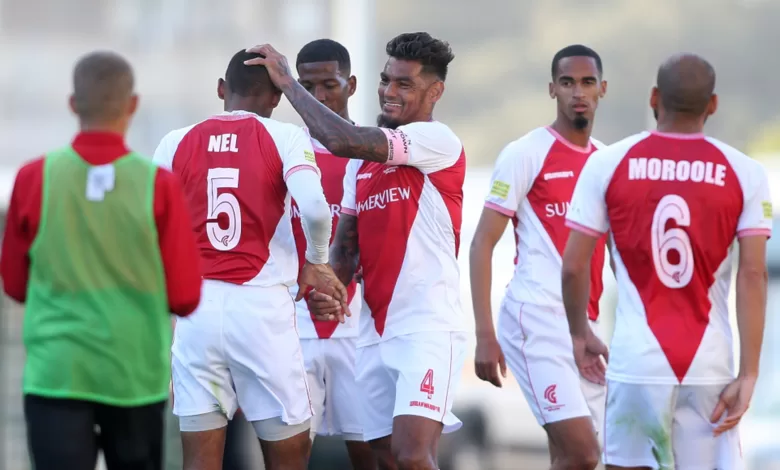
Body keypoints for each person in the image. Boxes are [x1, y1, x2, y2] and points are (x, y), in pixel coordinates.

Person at [245, 32, 468, 470]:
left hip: (427, 327)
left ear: (435, 91)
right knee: (383, 459)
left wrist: (289, 84)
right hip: (372, 333)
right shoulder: (363, 167)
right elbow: (346, 250)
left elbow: (343, 140)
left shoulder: (435, 142)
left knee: (412, 456)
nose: (389, 91)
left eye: (405, 84)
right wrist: (331, 290)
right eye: (387, 80)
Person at [563, 53, 771, 470]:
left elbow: (573, 266)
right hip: (709, 365)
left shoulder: (607, 163)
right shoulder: (745, 172)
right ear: (712, 105)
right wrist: (749, 375)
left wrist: (579, 333)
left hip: (637, 361)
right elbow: (753, 274)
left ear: (655, 97)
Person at [0, 51, 203, 470]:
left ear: (73, 104)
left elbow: (16, 287)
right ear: (132, 105)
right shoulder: (159, 186)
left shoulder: (33, 177)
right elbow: (185, 296)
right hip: (134, 376)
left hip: (56, 373)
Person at [152, 49, 348, 470]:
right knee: (287, 454)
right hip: (261, 309)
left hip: (196, 309)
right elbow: (315, 209)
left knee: (199, 458)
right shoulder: (285, 137)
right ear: (276, 98)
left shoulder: (174, 141)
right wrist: (316, 260)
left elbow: (152, 226)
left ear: (222, 90)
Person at [470, 44, 608, 470]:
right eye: (567, 82)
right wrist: (485, 334)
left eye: (587, 82)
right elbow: (482, 244)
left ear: (603, 89)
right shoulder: (525, 153)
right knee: (583, 453)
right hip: (536, 319)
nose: (577, 92)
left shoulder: (607, 161)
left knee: (578, 456)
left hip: (585, 326)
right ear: (553, 89)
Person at [291, 38, 377, 470]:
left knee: (370, 454)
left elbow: (374, 240)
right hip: (291, 325)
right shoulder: (282, 150)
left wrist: (340, 289)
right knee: (286, 454)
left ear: (352, 84)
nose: (320, 97)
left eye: (330, 84)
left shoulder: (372, 152)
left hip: (356, 326)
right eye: (307, 88)